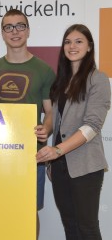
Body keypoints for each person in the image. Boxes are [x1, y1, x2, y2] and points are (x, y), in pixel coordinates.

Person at [36, 24, 110, 240]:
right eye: (68, 42)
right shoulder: (61, 81)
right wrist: (46, 132)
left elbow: (92, 127)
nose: (72, 46)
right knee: (70, 226)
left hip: (85, 166)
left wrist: (57, 150)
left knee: (87, 228)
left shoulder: (98, 79)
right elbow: (57, 123)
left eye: (79, 41)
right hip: (59, 168)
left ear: (89, 47)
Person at [0, 9, 56, 237]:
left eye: (20, 26)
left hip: (32, 155)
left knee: (29, 211)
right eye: (8, 27)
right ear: (2, 33)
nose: (15, 31)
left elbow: (50, 112)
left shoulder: (44, 70)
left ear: (28, 31)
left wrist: (46, 128)